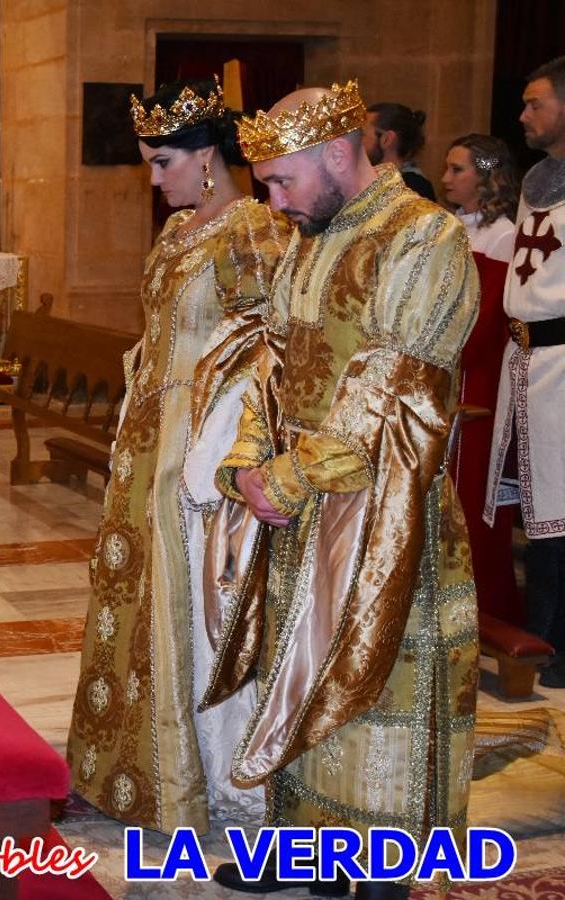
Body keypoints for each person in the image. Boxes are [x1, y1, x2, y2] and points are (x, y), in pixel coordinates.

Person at [207, 82, 478, 900]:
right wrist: (247, 461)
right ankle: (313, 865)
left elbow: (393, 385)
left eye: (282, 181)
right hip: (299, 508)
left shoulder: (425, 238)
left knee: (375, 687)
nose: (275, 202)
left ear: (335, 153)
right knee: (303, 677)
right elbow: (274, 366)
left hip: (388, 516)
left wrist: (287, 478)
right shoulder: (309, 234)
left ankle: (385, 882)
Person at [66, 79, 289, 836]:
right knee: (132, 599)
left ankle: (197, 779)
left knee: (194, 612)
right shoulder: (177, 233)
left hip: (201, 451)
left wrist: (218, 455)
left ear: (206, 159)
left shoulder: (251, 231)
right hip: (146, 440)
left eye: (162, 163)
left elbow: (268, 355)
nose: (153, 179)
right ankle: (122, 770)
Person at [485, 56, 565, 688]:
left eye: (535, 102)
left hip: (562, 364)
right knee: (536, 512)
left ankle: (557, 644)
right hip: (524, 360)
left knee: (559, 513)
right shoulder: (538, 177)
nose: (523, 115)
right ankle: (539, 635)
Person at [442, 134, 522, 624]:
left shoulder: (504, 236)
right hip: (443, 373)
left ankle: (485, 612)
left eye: (457, 170)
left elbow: (487, 318)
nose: (446, 178)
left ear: (487, 176)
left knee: (472, 496)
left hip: (478, 379)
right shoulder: (449, 227)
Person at [363, 101, 437, 200]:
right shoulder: (369, 180)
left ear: (387, 139)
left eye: (361, 135)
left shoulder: (414, 187)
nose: (355, 144)